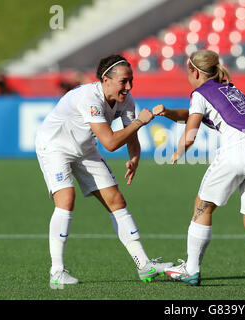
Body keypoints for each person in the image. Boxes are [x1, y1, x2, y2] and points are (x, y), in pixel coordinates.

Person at [35, 54, 173, 286]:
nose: (129, 86)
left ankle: (144, 265)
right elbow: (109, 143)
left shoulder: (125, 99)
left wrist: (134, 155)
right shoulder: (89, 98)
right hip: (54, 146)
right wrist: (141, 122)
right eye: (124, 81)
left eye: (131, 80)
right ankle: (57, 272)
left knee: (116, 200)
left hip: (85, 149)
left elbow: (130, 131)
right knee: (66, 199)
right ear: (106, 80)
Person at [153, 49, 245, 288]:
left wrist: (177, 151)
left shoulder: (200, 93)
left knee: (203, 206)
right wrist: (169, 113)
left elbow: (192, 131)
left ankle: (191, 269)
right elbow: (195, 115)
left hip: (239, 150)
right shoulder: (231, 88)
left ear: (194, 71)